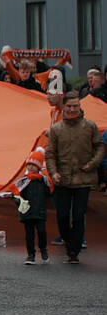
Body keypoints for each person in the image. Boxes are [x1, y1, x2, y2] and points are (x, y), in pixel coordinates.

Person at [46, 93, 105, 264]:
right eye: (69, 106)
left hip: (83, 179)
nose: (72, 109)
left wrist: (93, 164)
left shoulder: (90, 126)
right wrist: (53, 172)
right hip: (62, 179)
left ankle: (74, 251)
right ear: (64, 107)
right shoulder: (56, 129)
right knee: (62, 216)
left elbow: (100, 146)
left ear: (80, 107)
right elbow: (50, 154)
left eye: (75, 106)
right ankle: (68, 240)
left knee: (78, 216)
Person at [16, 149, 52, 266]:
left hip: (40, 211)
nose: (31, 167)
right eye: (29, 165)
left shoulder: (43, 180)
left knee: (42, 231)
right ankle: (31, 254)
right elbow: (18, 195)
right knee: (29, 234)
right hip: (28, 212)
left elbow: (49, 193)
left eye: (34, 165)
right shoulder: (24, 181)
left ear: (39, 167)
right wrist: (19, 203)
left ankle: (43, 248)